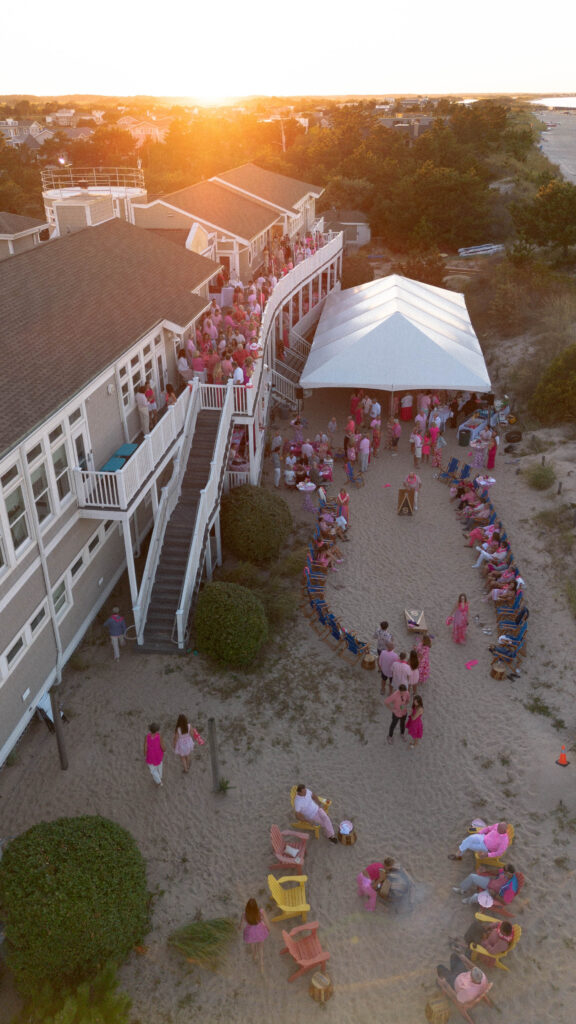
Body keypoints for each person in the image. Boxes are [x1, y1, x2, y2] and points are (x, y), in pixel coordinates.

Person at [454, 863, 518, 904]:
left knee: (476, 896)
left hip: (493, 892)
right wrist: (486, 871)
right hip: (490, 883)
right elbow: (497, 872)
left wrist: (494, 894)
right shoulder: (504, 872)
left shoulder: (511, 888)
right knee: (472, 876)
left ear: (509, 873)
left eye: (504, 870)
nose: (502, 870)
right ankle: (462, 890)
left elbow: (506, 902)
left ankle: (468, 900)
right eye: (503, 868)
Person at [241, 898, 270, 972]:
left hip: (250, 932)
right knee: (260, 948)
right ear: (256, 906)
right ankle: (261, 965)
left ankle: (254, 955)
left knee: (252, 945)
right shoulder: (261, 912)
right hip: (260, 931)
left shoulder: (244, 914)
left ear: (247, 907)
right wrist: (268, 929)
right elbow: (267, 922)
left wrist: (239, 927)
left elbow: (241, 926)